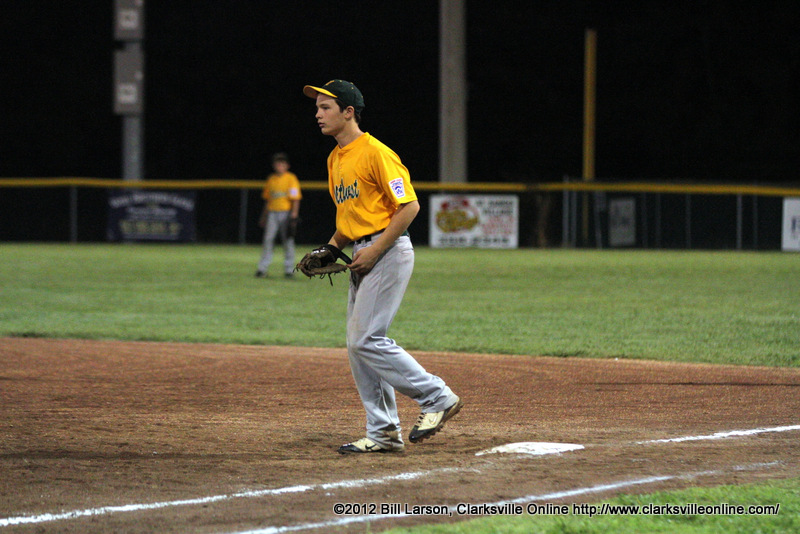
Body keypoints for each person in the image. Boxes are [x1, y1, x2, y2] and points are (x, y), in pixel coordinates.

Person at [302, 79, 462, 454]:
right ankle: (384, 431)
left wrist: (375, 251)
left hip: (387, 250)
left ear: (348, 112)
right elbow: (351, 218)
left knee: (366, 339)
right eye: (317, 107)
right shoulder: (335, 158)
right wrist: (332, 247)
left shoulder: (376, 153)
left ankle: (437, 397)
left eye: (325, 107)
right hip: (363, 251)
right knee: (358, 344)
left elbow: (409, 206)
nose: (318, 114)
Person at [255, 152, 302, 278]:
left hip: (286, 214)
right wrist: (263, 217)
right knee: (268, 240)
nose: (279, 166)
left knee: (288, 241)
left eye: (282, 164)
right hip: (272, 213)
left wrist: (294, 214)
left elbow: (295, 199)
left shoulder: (291, 178)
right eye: (277, 164)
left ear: (287, 166)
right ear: (274, 165)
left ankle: (289, 270)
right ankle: (262, 269)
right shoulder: (271, 179)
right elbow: (267, 200)